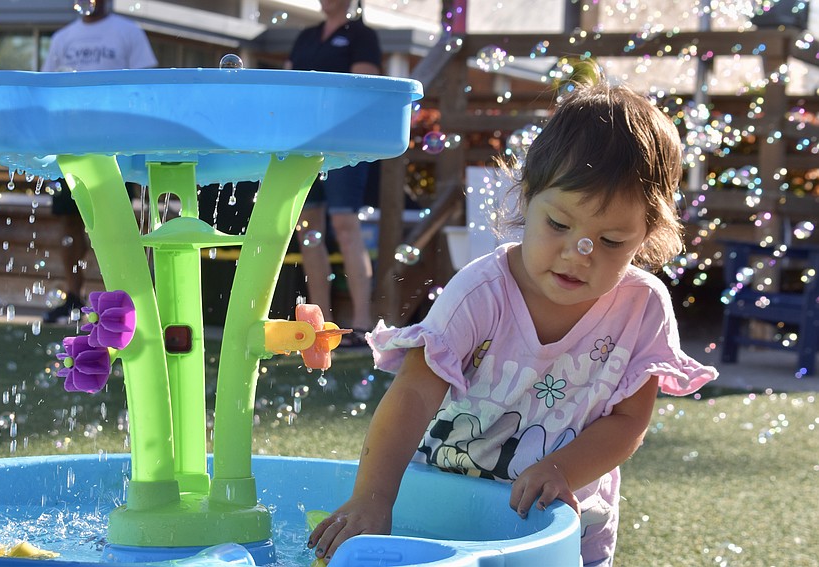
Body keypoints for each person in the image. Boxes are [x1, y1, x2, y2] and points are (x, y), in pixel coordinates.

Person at [307, 74, 719, 566]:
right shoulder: (483, 291)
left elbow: (630, 420)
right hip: (448, 515)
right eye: (559, 225)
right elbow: (415, 392)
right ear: (526, 199)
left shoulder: (642, 308)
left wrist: (563, 468)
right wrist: (374, 498)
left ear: (647, 235)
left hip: (564, 530)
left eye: (610, 241)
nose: (577, 254)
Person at [42, 0, 157, 323]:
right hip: (71, 142)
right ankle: (73, 297)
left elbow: (146, 85)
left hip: (115, 144)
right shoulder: (63, 37)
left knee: (115, 218)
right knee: (70, 220)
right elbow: (50, 88)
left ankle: (120, 299)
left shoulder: (128, 32)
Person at [285, 0, 382, 344]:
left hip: (344, 143)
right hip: (307, 143)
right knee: (308, 229)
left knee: (345, 224)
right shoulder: (306, 36)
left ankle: (360, 323)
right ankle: (320, 322)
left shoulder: (361, 35)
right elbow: (290, 86)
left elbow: (362, 85)